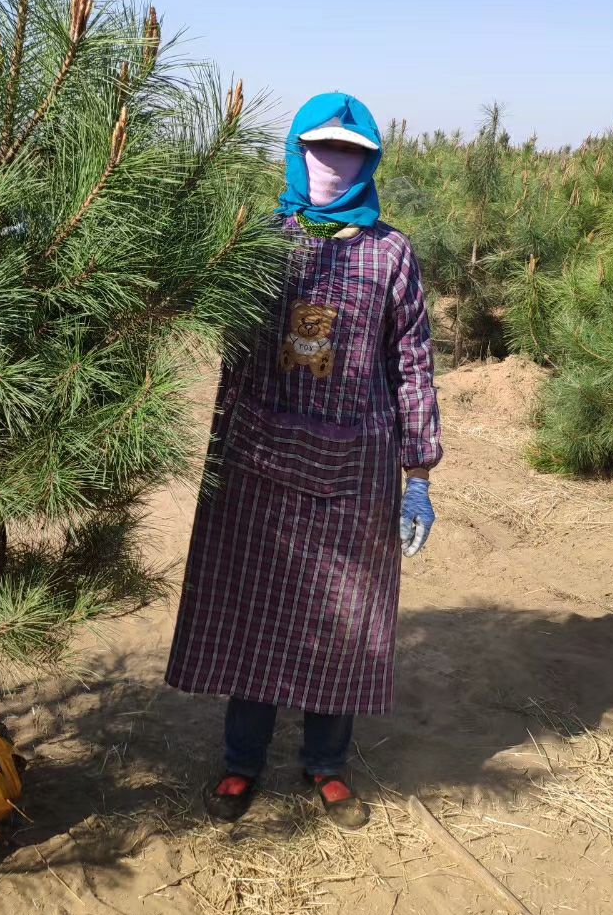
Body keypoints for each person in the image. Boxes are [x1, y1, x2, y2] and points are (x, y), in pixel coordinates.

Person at [165, 92, 442, 830]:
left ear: (368, 161)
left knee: (346, 617)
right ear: (296, 152)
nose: (332, 163)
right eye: (319, 149)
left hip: (355, 468)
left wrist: (418, 477)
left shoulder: (391, 253)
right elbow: (204, 314)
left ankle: (326, 765)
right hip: (261, 454)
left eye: (347, 151)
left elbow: (413, 365)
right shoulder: (260, 239)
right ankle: (241, 762)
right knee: (255, 606)